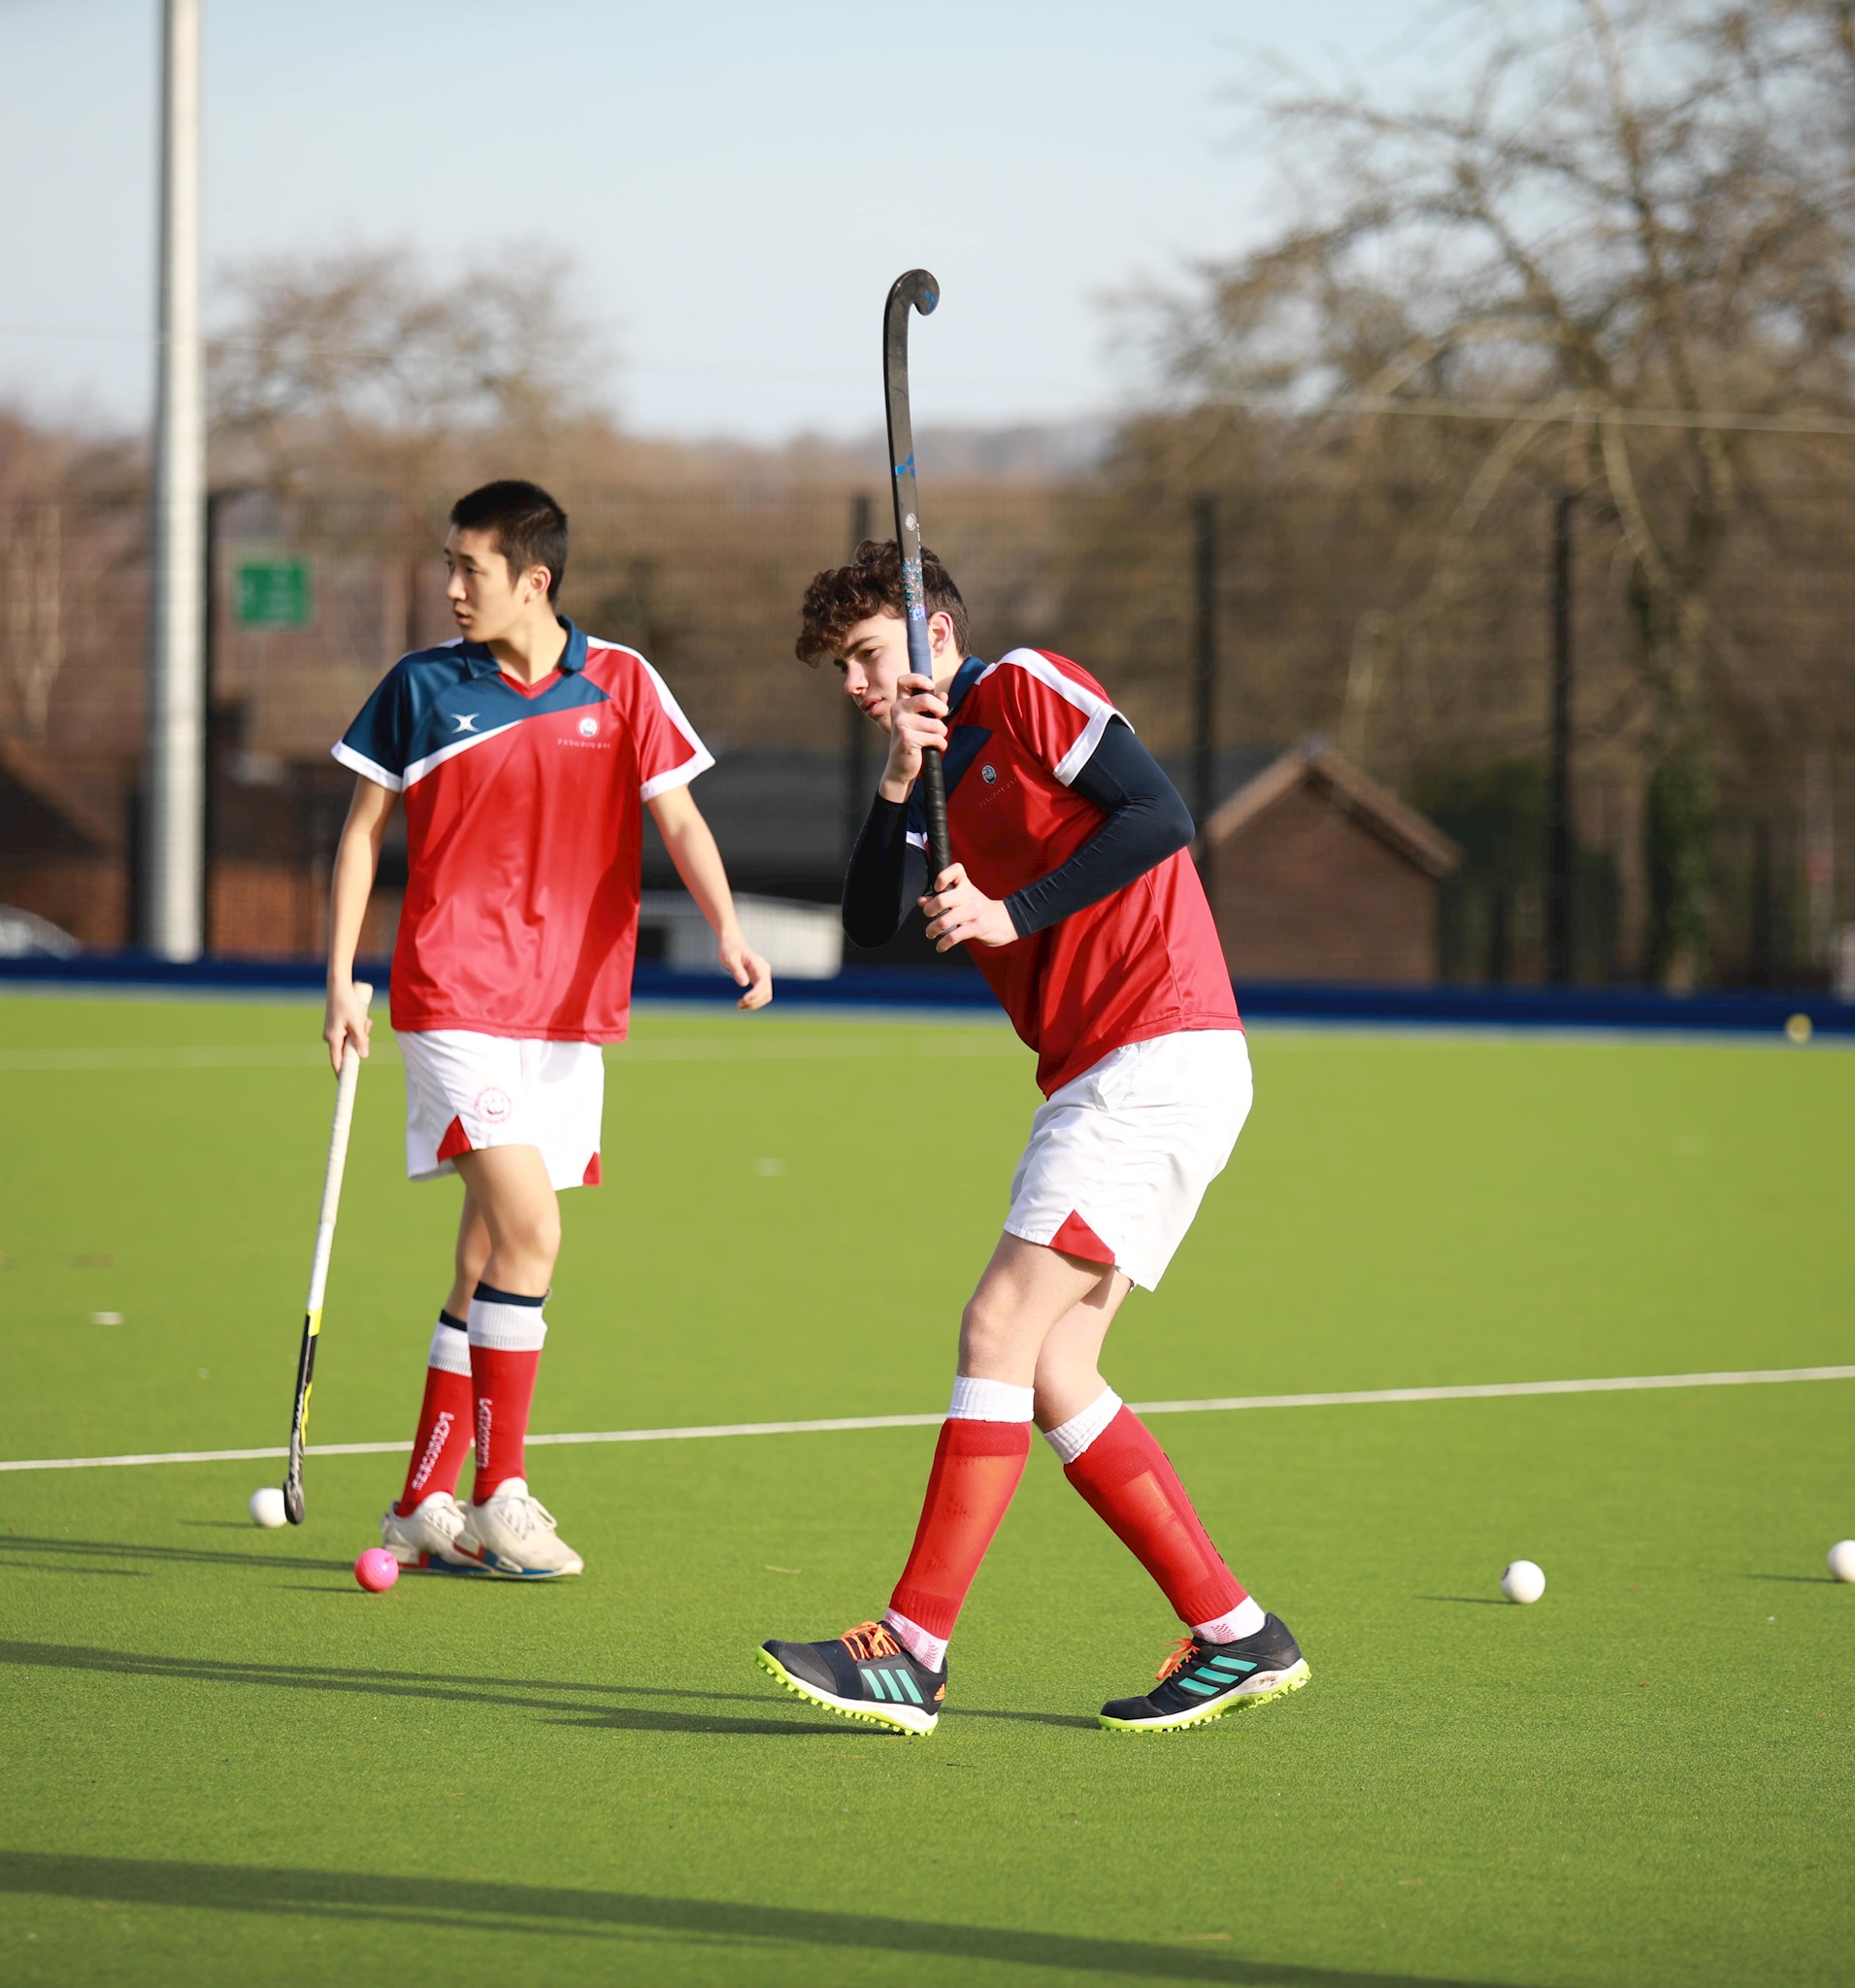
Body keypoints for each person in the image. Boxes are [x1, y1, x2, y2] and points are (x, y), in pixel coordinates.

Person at [755, 539, 1307, 1737]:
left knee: (998, 1324)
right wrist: (900, 779)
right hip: (1102, 1072)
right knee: (1055, 1367)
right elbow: (863, 924)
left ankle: (911, 1645)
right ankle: (1235, 1630)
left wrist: (1013, 907)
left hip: (1152, 1050)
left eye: (864, 655)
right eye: (842, 671)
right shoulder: (936, 770)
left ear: (934, 633)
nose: (853, 685)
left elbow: (1161, 814)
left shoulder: (1021, 687)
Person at [325, 480, 772, 1580]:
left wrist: (729, 927)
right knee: (531, 1233)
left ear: (536, 579)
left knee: (485, 1251)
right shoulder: (422, 685)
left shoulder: (622, 681)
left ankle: (424, 1495)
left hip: (571, 1012)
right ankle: (502, 1490)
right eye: (449, 565)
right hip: (452, 998)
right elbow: (362, 833)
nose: (450, 587)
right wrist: (339, 978)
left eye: (469, 568)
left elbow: (678, 811)